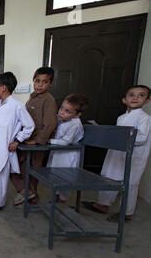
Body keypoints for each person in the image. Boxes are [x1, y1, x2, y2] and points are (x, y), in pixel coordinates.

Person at [87, 85, 150, 222]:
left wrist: (119, 137)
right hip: (116, 154)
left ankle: (126, 213)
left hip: (133, 156)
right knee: (110, 177)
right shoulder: (121, 118)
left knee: (129, 183)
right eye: (131, 95)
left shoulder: (145, 118)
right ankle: (102, 204)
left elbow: (141, 138)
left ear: (147, 100)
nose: (135, 98)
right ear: (124, 100)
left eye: (141, 95)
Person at [0, 72, 35, 215]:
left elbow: (29, 126)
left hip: (4, 147)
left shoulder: (17, 106)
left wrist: (17, 141)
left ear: (3, 87)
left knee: (1, 175)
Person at [10, 67, 58, 206]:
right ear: (33, 81)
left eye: (44, 82)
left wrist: (37, 140)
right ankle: (27, 193)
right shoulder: (32, 98)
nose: (40, 85)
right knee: (22, 167)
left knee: (34, 170)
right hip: (28, 140)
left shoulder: (48, 99)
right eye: (37, 81)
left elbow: (50, 123)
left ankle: (33, 197)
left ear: (50, 84)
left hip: (38, 143)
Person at [47, 94, 89, 203]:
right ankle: (55, 197)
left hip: (69, 155)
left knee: (65, 177)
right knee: (55, 175)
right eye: (61, 108)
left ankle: (62, 200)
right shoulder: (62, 119)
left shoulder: (75, 124)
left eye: (67, 111)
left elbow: (66, 142)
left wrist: (50, 141)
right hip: (58, 153)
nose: (61, 112)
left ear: (77, 115)